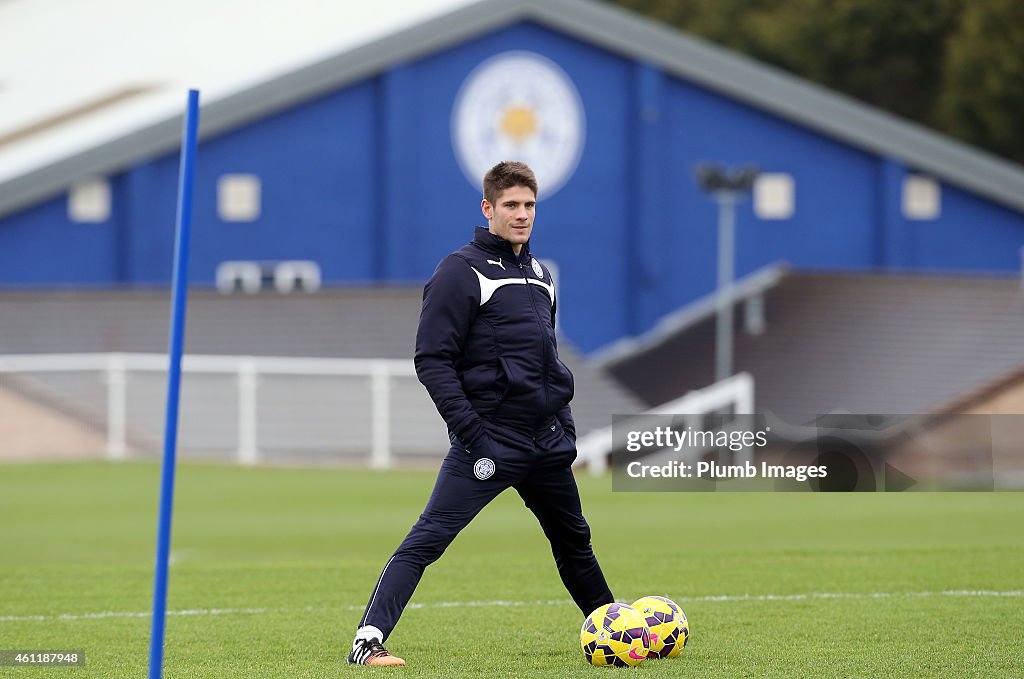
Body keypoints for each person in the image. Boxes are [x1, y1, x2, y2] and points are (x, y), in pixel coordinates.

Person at [347, 161, 615, 666]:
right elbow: (432, 360)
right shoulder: (460, 270)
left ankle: (614, 626)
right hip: (489, 441)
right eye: (511, 205)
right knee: (428, 539)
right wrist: (473, 433)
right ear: (487, 208)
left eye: (529, 205)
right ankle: (367, 641)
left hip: (545, 441)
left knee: (575, 540)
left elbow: (547, 357)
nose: (522, 215)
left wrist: (564, 424)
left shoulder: (541, 275)